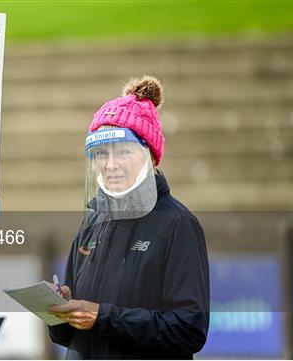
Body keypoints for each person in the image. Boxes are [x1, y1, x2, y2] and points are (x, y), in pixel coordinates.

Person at [48, 76, 210, 359]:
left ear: (152, 157)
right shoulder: (91, 223)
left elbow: (189, 329)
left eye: (123, 152)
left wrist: (102, 317)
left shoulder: (178, 224)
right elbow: (68, 335)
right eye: (101, 153)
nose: (110, 165)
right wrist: (60, 310)